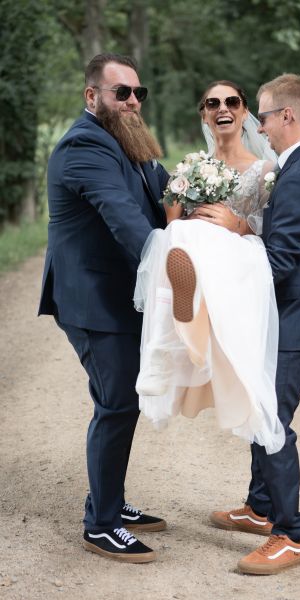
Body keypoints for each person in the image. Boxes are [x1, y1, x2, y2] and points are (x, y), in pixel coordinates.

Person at [38, 53, 170, 563]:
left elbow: (163, 198)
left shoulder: (127, 142)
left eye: (139, 92)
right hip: (91, 298)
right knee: (116, 403)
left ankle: (108, 500)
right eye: (122, 92)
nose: (133, 101)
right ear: (92, 96)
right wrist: (170, 264)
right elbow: (123, 215)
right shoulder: (85, 145)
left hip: (118, 295)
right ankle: (101, 525)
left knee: (124, 400)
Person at [210, 74, 300, 575]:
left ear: (286, 115)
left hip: (297, 320)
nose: (259, 127)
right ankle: (260, 508)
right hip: (285, 315)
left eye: (262, 117)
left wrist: (231, 243)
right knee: (259, 406)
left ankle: (290, 535)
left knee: (270, 422)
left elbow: (280, 259)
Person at [134, 81, 285, 455]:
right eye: (213, 103)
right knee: (173, 234)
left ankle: (163, 350)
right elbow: (174, 223)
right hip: (198, 257)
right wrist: (176, 207)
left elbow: (278, 224)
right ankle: (174, 337)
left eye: (232, 101)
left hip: (240, 259)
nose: (223, 108)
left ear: (245, 112)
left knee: (181, 237)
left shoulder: (266, 170)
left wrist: (239, 224)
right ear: (204, 114)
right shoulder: (191, 167)